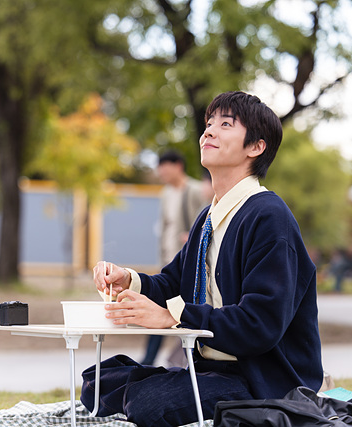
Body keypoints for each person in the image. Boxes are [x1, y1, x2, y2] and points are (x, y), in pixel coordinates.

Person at [83, 91, 323, 426]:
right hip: (211, 371)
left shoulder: (269, 216)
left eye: (225, 124)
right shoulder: (208, 218)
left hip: (263, 381)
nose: (208, 131)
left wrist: (174, 317)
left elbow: (260, 324)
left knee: (148, 403)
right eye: (209, 123)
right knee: (97, 380)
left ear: (256, 147)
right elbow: (172, 283)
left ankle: (158, 393)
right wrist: (127, 280)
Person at [141, 150, 211, 366]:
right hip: (169, 262)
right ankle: (153, 359)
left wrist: (193, 237)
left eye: (164, 167)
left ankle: (161, 360)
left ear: (178, 165)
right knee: (162, 307)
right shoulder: (166, 194)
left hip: (189, 262)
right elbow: (164, 228)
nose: (161, 172)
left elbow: (206, 219)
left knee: (178, 312)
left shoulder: (196, 190)